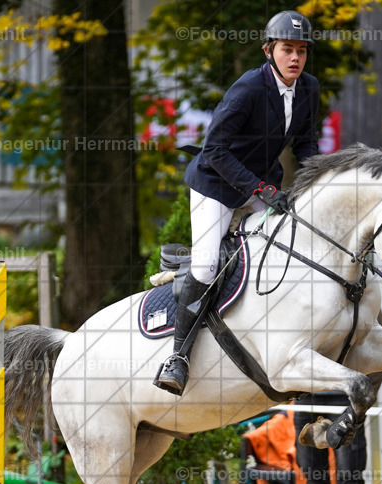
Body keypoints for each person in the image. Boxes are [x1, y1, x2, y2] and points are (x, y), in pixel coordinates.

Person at [154, 10, 321, 396]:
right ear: (268, 51)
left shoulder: (309, 88)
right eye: (287, 49)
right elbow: (214, 149)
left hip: (260, 184)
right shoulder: (248, 88)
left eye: (301, 51)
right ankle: (178, 357)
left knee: (287, 248)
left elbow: (306, 143)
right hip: (215, 184)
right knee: (207, 265)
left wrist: (318, 179)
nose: (295, 58)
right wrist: (259, 190)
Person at [294, 370, 382, 484]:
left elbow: (377, 362)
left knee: (350, 474)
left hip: (345, 400)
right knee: (313, 475)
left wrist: (363, 397)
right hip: (305, 397)